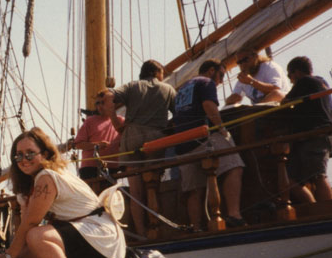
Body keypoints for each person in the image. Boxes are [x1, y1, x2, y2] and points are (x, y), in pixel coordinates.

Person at [0, 128, 125, 258]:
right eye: (18, 156)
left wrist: (8, 256)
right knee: (25, 254)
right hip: (92, 238)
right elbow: (27, 219)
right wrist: (15, 254)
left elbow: (31, 223)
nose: (24, 160)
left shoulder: (47, 177)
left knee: (36, 236)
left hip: (100, 237)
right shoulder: (40, 179)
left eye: (30, 154)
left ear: (45, 154)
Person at [101, 59, 177, 235]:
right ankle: (156, 229)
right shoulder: (168, 89)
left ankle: (142, 232)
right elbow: (178, 113)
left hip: (132, 135)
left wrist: (115, 122)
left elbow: (107, 96)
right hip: (156, 136)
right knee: (153, 185)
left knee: (136, 191)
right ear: (157, 73)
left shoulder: (132, 86)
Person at [171, 59, 245, 229]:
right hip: (203, 138)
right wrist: (222, 129)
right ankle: (234, 214)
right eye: (221, 75)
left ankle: (196, 227)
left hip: (183, 145)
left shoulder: (182, 88)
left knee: (195, 189)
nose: (220, 81)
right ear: (211, 71)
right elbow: (208, 105)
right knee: (234, 165)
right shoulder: (206, 82)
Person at [282, 56, 332, 204]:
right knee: (292, 179)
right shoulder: (322, 81)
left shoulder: (304, 81)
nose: (290, 79)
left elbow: (285, 102)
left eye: (289, 75)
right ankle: (314, 208)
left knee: (318, 176)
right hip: (320, 136)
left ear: (297, 72)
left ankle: (327, 211)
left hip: (315, 137)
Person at [69, 93, 122, 192]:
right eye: (97, 103)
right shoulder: (90, 122)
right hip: (90, 168)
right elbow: (78, 144)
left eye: (103, 102)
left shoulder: (120, 121)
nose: (100, 106)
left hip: (113, 167)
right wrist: (97, 145)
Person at [224, 48, 289, 106]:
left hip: (282, 104)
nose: (243, 64)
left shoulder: (269, 66)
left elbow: (275, 89)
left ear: (255, 57)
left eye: (245, 60)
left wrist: (251, 82)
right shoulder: (244, 77)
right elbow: (236, 97)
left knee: (276, 94)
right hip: (260, 110)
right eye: (239, 62)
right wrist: (229, 100)